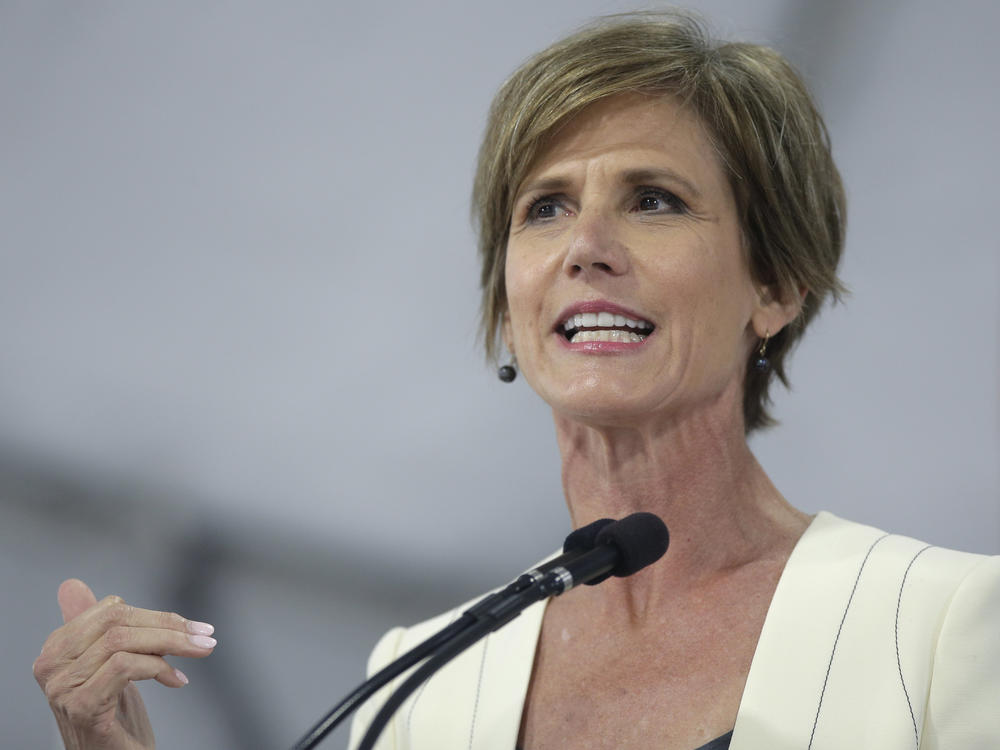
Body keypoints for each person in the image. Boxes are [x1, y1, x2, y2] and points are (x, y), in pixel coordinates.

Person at [33, 11, 999, 750]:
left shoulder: (940, 622)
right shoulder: (421, 681)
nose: (586, 248)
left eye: (653, 201)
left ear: (776, 284)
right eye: (544, 209)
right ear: (508, 300)